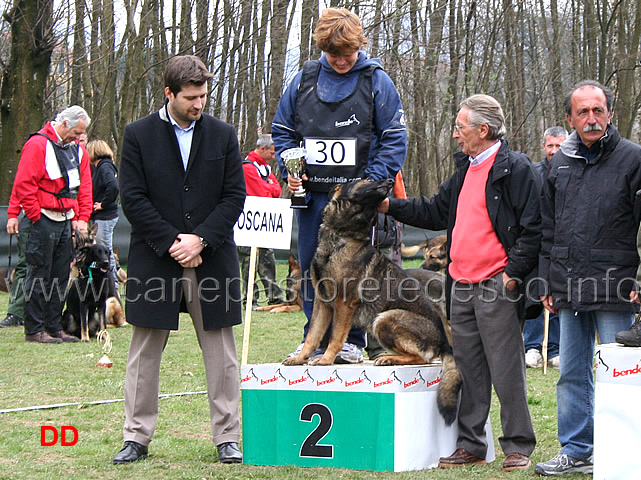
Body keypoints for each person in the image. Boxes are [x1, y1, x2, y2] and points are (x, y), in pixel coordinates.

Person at [379, 94, 539, 472]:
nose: (455, 135)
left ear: (483, 130)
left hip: (496, 285)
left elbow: (534, 229)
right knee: (468, 369)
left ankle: (518, 444)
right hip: (460, 285)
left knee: (506, 369)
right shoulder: (464, 170)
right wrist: (389, 206)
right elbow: (434, 210)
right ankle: (471, 444)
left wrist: (512, 276)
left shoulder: (515, 169)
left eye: (459, 127)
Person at [113, 55, 246, 465]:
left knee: (221, 352)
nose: (199, 104)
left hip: (212, 259)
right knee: (144, 352)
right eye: (191, 97)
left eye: (204, 95)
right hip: (157, 259)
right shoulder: (137, 135)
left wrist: (201, 240)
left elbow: (233, 196)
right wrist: (173, 241)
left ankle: (228, 437)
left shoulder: (223, 135)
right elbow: (132, 198)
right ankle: (136, 436)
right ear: (169, 93)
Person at [272, 7, 407, 364]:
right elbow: (283, 131)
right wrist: (289, 165)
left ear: (360, 46)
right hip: (313, 197)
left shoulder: (377, 81)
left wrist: (369, 185)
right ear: (322, 49)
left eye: (348, 54)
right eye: (334, 55)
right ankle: (312, 340)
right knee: (312, 270)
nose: (342, 61)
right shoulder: (304, 78)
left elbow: (394, 138)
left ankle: (350, 341)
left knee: (352, 276)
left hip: (355, 206)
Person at [534, 80, 641, 475]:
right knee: (571, 374)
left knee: (622, 376)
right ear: (570, 118)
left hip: (618, 287)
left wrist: (639, 281)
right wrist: (545, 280)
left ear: (610, 113)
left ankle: (623, 451)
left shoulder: (634, 159)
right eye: (583, 112)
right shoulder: (558, 163)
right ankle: (577, 449)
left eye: (598, 110)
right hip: (567, 285)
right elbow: (548, 226)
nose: (592, 118)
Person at [8, 105, 93, 344]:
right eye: (76, 133)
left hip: (66, 220)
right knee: (38, 274)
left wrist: (82, 218)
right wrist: (34, 216)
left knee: (60, 275)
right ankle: (34, 329)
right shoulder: (37, 145)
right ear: (64, 124)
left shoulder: (77, 151)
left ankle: (54, 326)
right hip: (43, 219)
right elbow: (24, 184)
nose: (79, 138)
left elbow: (84, 187)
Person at [523, 126, 568, 369]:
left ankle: (555, 349)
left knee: (558, 296)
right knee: (534, 295)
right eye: (550, 146)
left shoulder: (572, 171)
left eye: (559, 146)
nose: (553, 151)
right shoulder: (533, 173)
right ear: (544, 146)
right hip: (536, 244)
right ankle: (531, 346)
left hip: (562, 246)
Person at [238, 134, 285, 307]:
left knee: (267, 258)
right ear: (262, 149)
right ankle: (249, 299)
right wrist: (269, 186)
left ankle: (275, 297)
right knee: (248, 262)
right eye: (272, 153)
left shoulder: (264, 168)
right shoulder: (248, 167)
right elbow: (262, 192)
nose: (274, 157)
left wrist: (269, 186)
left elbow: (277, 190)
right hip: (249, 223)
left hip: (264, 222)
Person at [87, 140, 120, 285]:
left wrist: (103, 204)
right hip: (102, 216)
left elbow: (113, 187)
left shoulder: (105, 167)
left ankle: (112, 282)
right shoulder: (102, 167)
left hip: (105, 216)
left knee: (105, 249)